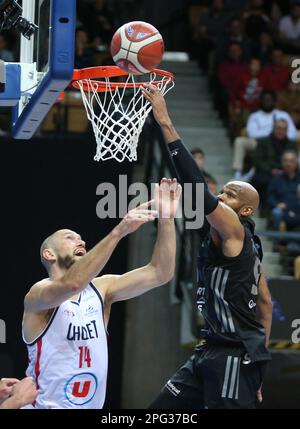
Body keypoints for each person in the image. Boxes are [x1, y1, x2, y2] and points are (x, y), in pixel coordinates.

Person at [142, 84, 273, 409]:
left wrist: (165, 122)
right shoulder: (248, 248)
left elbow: (199, 194)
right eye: (222, 192)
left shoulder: (235, 229)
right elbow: (266, 304)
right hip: (210, 350)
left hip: (232, 354)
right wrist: (260, 365)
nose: (220, 198)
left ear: (245, 211)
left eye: (228, 195)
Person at [22, 179, 181, 409]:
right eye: (70, 238)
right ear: (49, 254)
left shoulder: (101, 288)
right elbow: (73, 284)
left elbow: (160, 273)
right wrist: (119, 231)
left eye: (80, 238)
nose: (81, 241)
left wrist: (166, 218)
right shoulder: (38, 294)